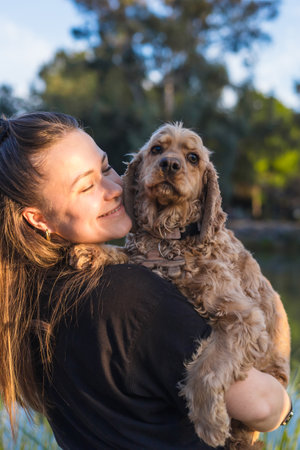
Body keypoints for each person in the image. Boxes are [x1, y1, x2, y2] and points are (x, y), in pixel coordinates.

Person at [0, 112, 292, 450]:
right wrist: (283, 404)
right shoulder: (131, 296)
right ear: (38, 218)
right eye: (86, 186)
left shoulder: (31, 296)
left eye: (106, 167)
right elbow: (263, 406)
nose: (112, 188)